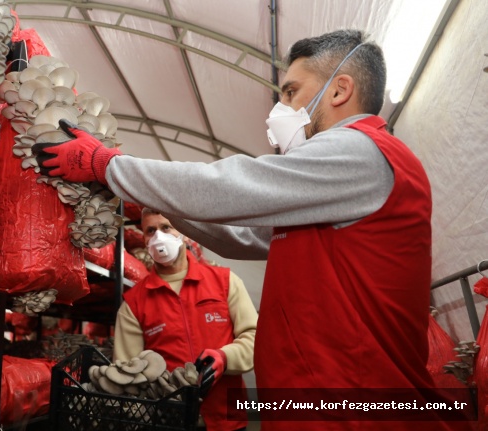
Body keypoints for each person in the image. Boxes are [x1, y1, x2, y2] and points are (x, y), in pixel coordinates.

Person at [34, 29, 465, 430]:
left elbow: (231, 185)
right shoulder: (331, 187)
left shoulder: (361, 151)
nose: (281, 109)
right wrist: (146, 196)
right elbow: (240, 236)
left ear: (340, 89)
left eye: (292, 92)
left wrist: (108, 165)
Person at [113, 208, 257, 431]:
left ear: (187, 233)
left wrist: (225, 357)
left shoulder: (225, 282)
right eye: (150, 230)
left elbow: (256, 338)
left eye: (166, 227)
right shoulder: (133, 303)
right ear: (144, 238)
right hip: (168, 423)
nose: (158, 237)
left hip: (226, 419)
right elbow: (128, 373)